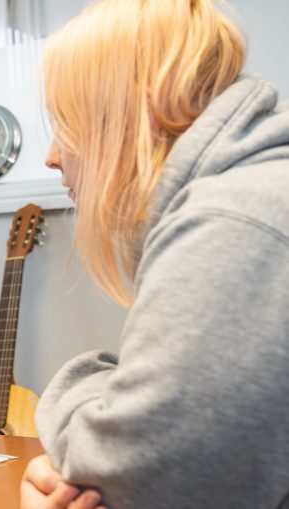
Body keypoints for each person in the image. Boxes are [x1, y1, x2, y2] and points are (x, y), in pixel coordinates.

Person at [20, 0, 289, 508]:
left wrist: (76, 390)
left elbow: (129, 472)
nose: (52, 156)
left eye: (69, 123)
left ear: (137, 108)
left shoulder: (233, 221)